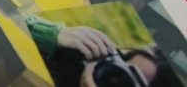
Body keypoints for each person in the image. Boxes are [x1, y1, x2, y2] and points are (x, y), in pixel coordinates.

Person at [25, 14, 182, 87]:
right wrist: (50, 34)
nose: (112, 76)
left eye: (125, 83)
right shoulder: (76, 57)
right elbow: (12, 24)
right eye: (124, 58)